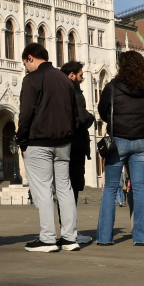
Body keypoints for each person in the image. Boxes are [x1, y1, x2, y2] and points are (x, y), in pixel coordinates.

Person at [16, 43, 87, 252]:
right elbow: (75, 114)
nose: (26, 68)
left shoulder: (32, 79)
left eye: (25, 64)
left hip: (39, 142)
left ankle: (47, 238)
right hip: (64, 143)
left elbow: (26, 112)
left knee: (43, 189)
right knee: (65, 188)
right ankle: (69, 238)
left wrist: (21, 141)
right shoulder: (65, 80)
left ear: (30, 58)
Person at [95, 51, 144, 246]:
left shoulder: (112, 87)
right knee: (140, 187)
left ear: (122, 66)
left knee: (110, 188)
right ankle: (142, 237)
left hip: (118, 140)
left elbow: (103, 110)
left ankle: (104, 237)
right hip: (142, 142)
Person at [59, 61, 96, 204]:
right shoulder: (76, 93)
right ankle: (69, 224)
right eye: (81, 76)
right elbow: (83, 119)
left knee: (64, 186)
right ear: (71, 75)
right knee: (73, 186)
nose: (82, 79)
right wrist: (91, 117)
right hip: (76, 145)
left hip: (61, 143)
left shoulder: (58, 91)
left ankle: (65, 223)